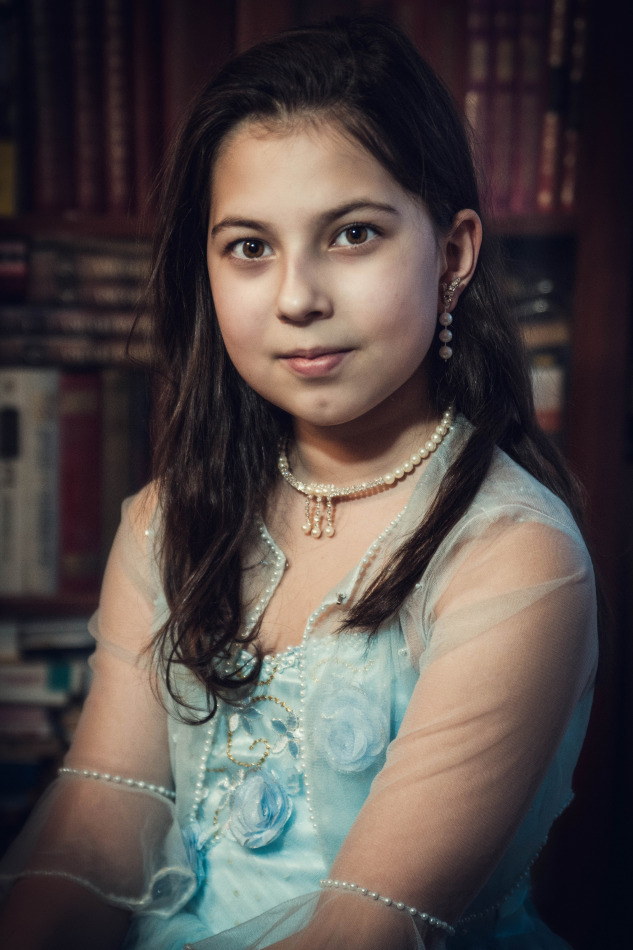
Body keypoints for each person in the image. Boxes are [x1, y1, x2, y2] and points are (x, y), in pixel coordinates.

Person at [0, 16, 597, 950]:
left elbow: (367, 930)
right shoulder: (165, 520)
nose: (295, 298)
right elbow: (100, 815)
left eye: (351, 234)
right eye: (249, 246)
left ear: (451, 255)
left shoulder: (515, 557)